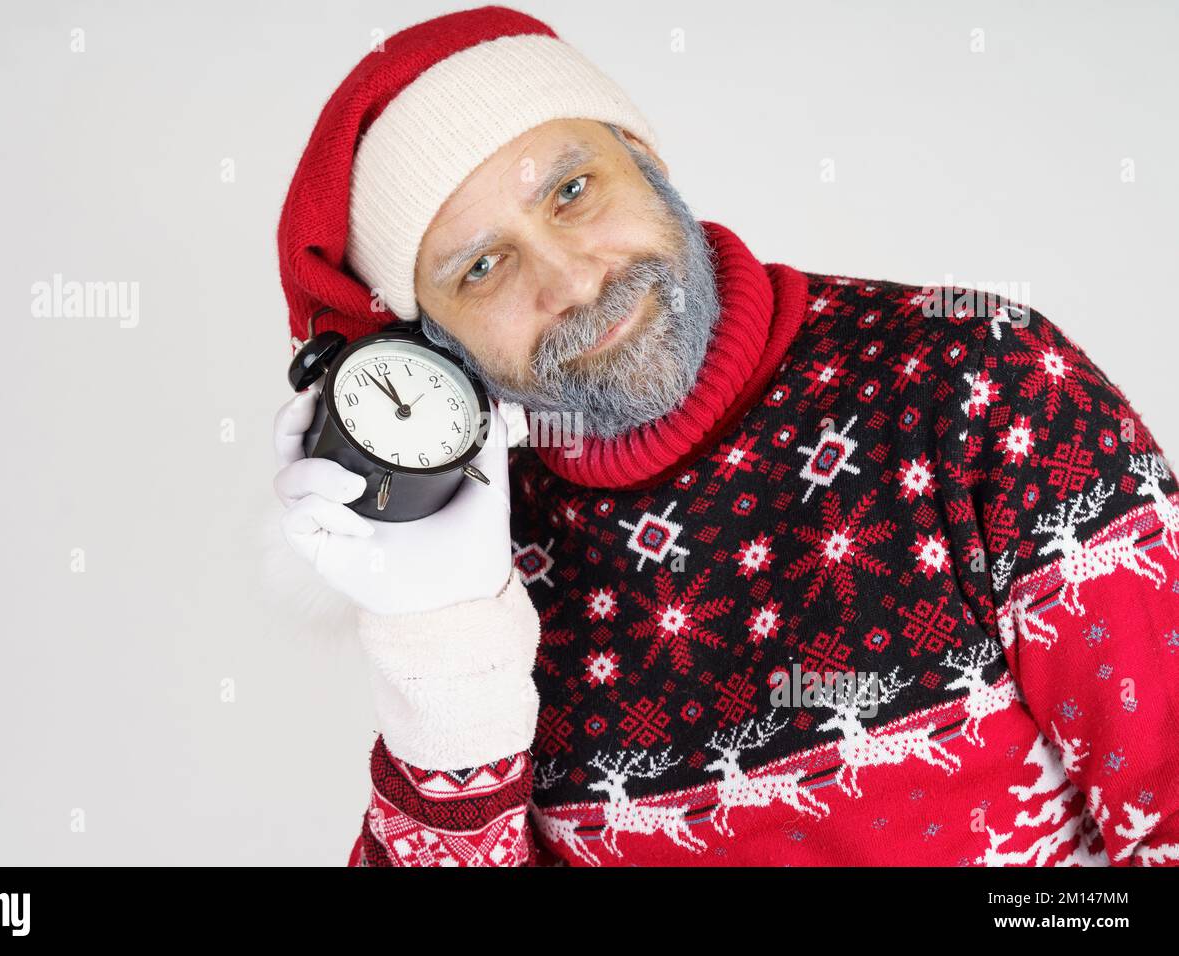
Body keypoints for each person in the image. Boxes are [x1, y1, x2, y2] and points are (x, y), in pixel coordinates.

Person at [271, 5, 1179, 866]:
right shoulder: (483, 563)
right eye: (480, 267)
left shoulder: (976, 380)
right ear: (431, 342)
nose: (572, 282)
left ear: (644, 157)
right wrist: (446, 656)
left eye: (573, 191)